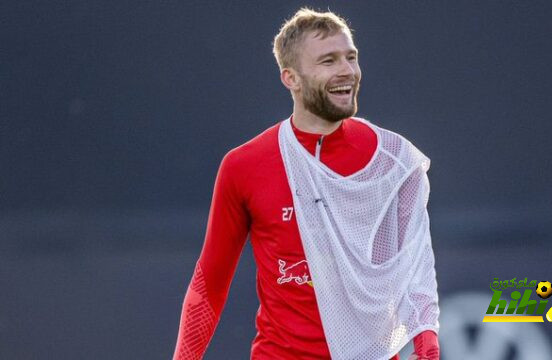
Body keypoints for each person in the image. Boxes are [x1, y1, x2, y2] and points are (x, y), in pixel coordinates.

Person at [173, 8, 440, 360]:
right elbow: (209, 284)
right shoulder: (244, 165)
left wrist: (427, 343)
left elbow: (415, 271)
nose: (347, 70)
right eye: (328, 61)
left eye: (351, 57)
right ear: (291, 78)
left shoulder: (391, 161)